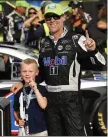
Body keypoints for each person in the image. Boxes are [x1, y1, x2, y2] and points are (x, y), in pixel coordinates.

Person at [11, 3, 106, 136]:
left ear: (62, 18)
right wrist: (22, 82)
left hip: (71, 99)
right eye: (49, 17)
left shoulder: (76, 39)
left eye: (55, 17)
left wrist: (93, 50)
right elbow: (42, 73)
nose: (52, 20)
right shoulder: (44, 42)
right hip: (51, 99)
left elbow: (100, 64)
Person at [13, 58, 48, 136]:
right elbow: (15, 111)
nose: (27, 74)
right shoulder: (19, 90)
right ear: (21, 73)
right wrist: (18, 120)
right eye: (24, 71)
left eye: (30, 71)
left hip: (41, 131)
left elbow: (43, 105)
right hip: (24, 131)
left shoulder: (41, 89)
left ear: (36, 72)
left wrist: (35, 89)